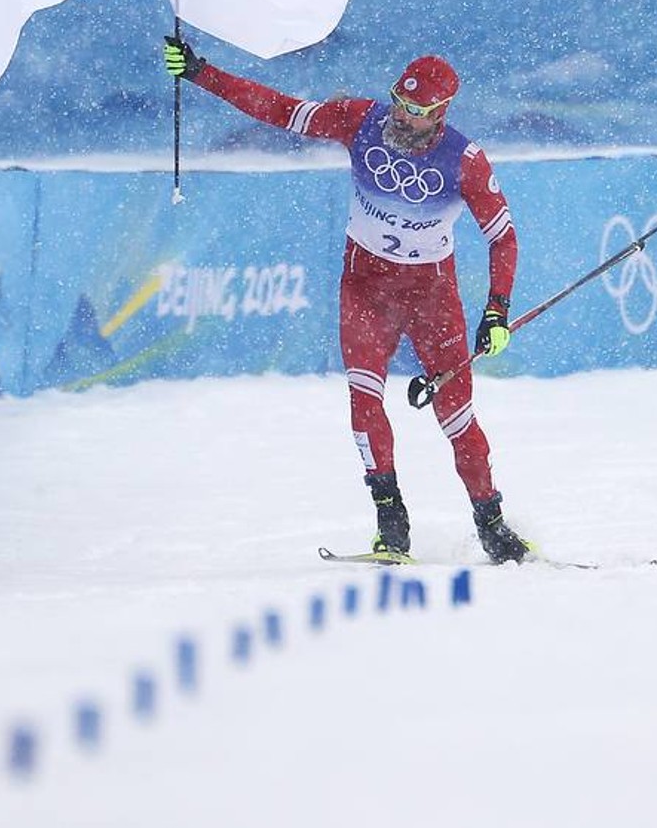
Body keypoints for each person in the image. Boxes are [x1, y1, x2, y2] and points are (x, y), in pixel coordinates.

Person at [164, 35, 529, 564]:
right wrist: (201, 73)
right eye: (400, 103)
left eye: (417, 112)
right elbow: (281, 111)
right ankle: (392, 524)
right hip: (365, 286)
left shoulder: (465, 160)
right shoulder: (361, 120)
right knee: (363, 400)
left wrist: (496, 310)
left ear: (442, 113)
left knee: (456, 416)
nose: (401, 117)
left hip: (432, 295)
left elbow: (504, 236)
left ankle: (492, 525)